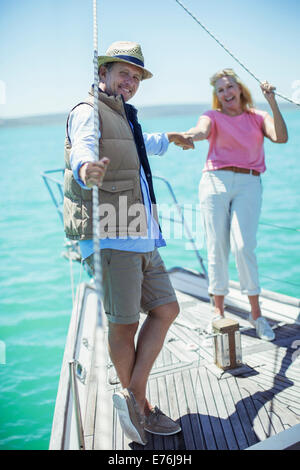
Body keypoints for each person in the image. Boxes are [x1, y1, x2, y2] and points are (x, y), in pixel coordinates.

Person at [63, 41, 194, 446]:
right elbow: (82, 152)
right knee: (126, 323)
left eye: (136, 77)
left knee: (167, 309)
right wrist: (87, 169)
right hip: (111, 232)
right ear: (103, 73)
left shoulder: (126, 117)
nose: (131, 81)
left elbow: (141, 144)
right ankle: (140, 404)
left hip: (138, 230)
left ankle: (132, 395)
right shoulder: (88, 111)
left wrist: (170, 137)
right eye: (124, 73)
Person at [183, 68, 288, 341]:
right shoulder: (212, 116)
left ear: (239, 88)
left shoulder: (258, 117)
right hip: (215, 180)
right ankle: (218, 311)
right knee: (217, 245)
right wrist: (189, 137)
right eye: (220, 90)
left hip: (249, 182)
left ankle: (257, 315)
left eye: (229, 87)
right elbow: (201, 130)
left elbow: (280, 137)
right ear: (216, 96)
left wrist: (272, 101)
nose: (226, 93)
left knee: (244, 247)